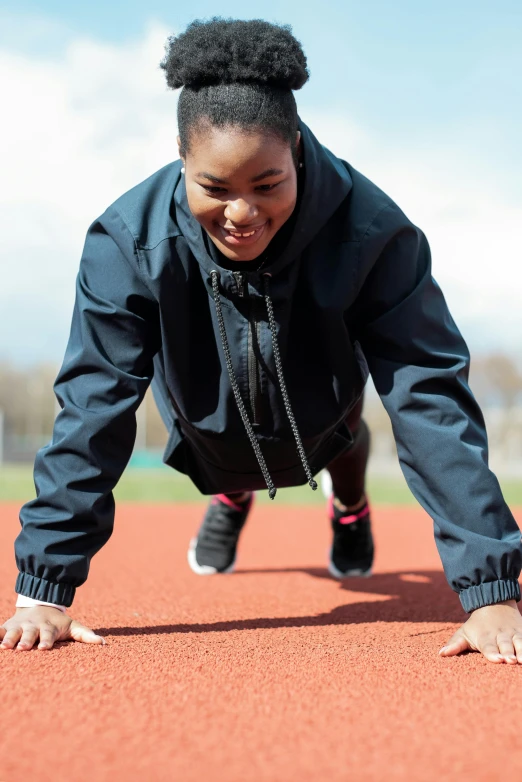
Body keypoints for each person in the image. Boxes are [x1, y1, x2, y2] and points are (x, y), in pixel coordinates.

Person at [2, 17, 521, 663]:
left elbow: (428, 396)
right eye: (214, 188)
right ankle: (232, 491)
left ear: (295, 149)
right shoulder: (126, 243)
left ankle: (350, 508)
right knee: (228, 451)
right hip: (207, 426)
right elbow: (93, 405)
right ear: (181, 159)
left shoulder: (376, 235)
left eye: (267, 185)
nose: (242, 214)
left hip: (325, 423)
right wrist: (43, 588)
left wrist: (492, 590)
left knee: (347, 441)